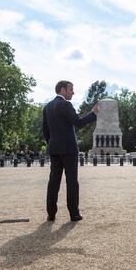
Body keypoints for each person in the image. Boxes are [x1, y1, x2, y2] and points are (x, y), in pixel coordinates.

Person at [43, 80, 98, 222]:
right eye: (71, 89)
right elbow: (78, 122)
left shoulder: (47, 107)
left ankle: (51, 214)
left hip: (54, 148)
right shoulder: (66, 105)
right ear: (63, 90)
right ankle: (74, 214)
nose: (73, 92)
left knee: (53, 181)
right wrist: (93, 113)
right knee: (72, 182)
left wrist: (52, 143)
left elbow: (45, 131)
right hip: (68, 149)